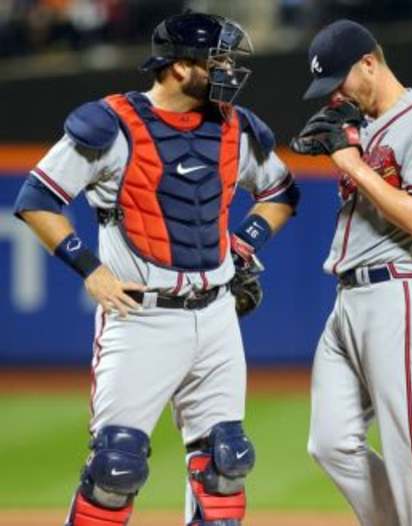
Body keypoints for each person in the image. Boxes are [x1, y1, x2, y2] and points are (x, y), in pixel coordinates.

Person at [14, 11, 299, 526]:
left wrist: (244, 246)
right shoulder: (113, 124)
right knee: (114, 469)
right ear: (177, 67)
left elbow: (280, 193)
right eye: (219, 61)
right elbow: (37, 198)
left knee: (225, 466)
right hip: (140, 317)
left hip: (216, 317)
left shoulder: (236, 128)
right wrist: (90, 269)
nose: (230, 71)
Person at [291, 19, 412, 526]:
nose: (335, 95)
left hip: (399, 292)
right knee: (330, 442)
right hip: (349, 300)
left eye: (340, 80)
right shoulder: (358, 125)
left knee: (409, 446)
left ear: (370, 62)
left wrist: (354, 167)